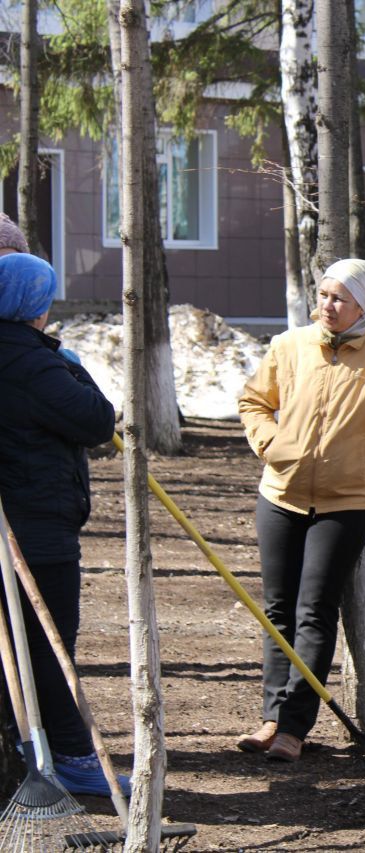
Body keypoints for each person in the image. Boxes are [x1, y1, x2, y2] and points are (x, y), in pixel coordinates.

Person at [237, 258, 365, 763]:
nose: (327, 305)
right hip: (279, 494)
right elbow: (254, 401)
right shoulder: (290, 345)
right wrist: (271, 445)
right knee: (277, 612)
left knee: (314, 612)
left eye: (340, 298)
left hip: (344, 503)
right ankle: (270, 718)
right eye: (323, 294)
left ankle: (294, 728)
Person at [0, 253, 124, 797]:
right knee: (50, 647)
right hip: (35, 531)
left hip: (15, 522)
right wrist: (72, 367)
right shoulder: (31, 362)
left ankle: (27, 752)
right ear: (35, 305)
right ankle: (72, 757)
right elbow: (97, 420)